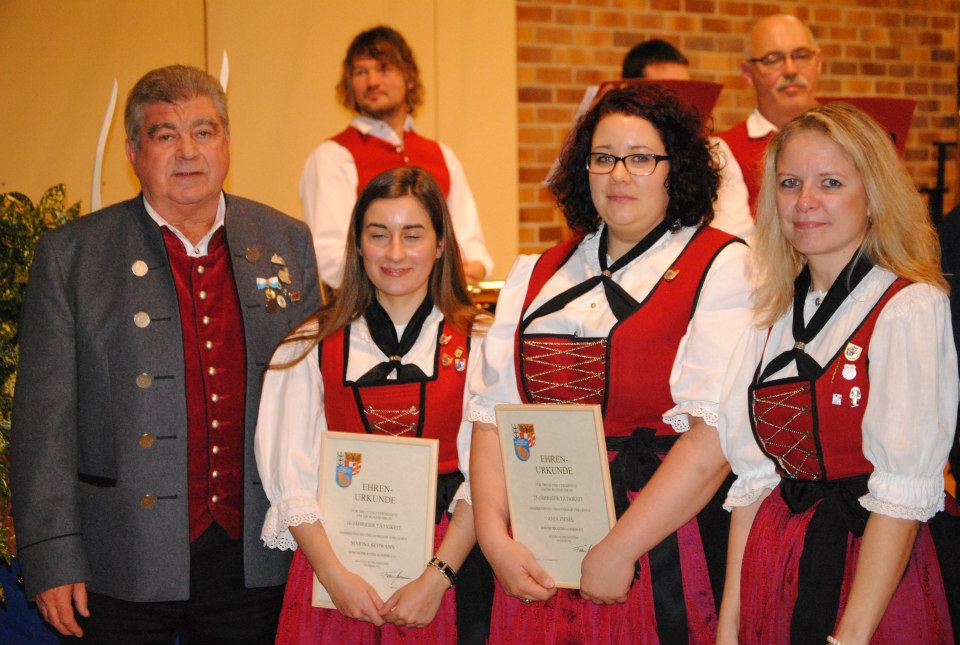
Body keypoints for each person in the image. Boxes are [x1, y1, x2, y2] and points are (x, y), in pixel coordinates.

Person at [10, 64, 321, 643]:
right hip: (119, 558)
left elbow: (317, 402)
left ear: (226, 142)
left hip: (256, 555)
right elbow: (42, 425)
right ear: (133, 152)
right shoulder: (72, 257)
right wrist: (52, 555)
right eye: (165, 135)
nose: (188, 152)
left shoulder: (285, 241)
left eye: (204, 132)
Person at [469, 84, 754, 644]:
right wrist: (494, 538)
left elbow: (713, 440)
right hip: (540, 543)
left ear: (677, 168)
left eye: (641, 158)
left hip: (659, 541)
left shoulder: (722, 266)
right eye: (603, 158)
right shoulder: (535, 272)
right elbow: (490, 418)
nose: (619, 175)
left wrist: (619, 549)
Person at [716, 103, 959, 644]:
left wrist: (848, 637)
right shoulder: (770, 313)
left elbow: (901, 495)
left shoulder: (908, 307)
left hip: (869, 572)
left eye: (830, 183)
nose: (805, 202)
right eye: (790, 183)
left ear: (873, 197)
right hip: (776, 561)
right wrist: (730, 625)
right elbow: (754, 483)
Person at [256, 166, 494, 645]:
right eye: (379, 235)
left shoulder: (483, 343)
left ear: (441, 245)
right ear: (358, 245)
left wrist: (436, 578)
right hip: (341, 572)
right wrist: (334, 577)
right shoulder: (307, 347)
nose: (395, 252)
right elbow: (291, 483)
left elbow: (487, 479)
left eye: (413, 235)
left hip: (451, 568)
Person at [300, 25, 493, 290]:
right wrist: (415, 274)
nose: (372, 82)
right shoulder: (331, 157)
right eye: (361, 72)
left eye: (383, 69)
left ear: (409, 78)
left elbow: (470, 243)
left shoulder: (443, 155)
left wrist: (475, 267)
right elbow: (330, 258)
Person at [561, 39, 754, 240]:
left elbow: (740, 234)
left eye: (641, 158)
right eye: (664, 94)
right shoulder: (595, 159)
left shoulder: (714, 152)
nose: (675, 106)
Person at [718, 13, 822, 213]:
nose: (790, 70)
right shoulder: (724, 151)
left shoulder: (847, 138)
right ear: (748, 73)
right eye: (773, 59)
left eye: (801, 56)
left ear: (818, 63)